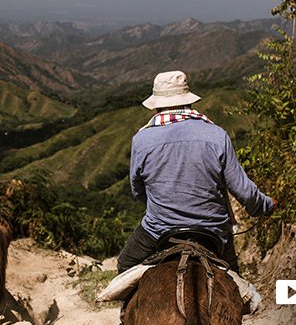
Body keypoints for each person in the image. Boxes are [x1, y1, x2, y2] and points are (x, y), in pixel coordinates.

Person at [117, 71, 277, 319]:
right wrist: (265, 206)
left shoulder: (142, 139)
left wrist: (163, 204)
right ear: (190, 101)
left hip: (159, 230)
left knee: (126, 265)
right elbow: (244, 191)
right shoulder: (217, 135)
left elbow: (138, 191)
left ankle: (126, 315)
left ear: (157, 106)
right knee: (234, 283)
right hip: (214, 233)